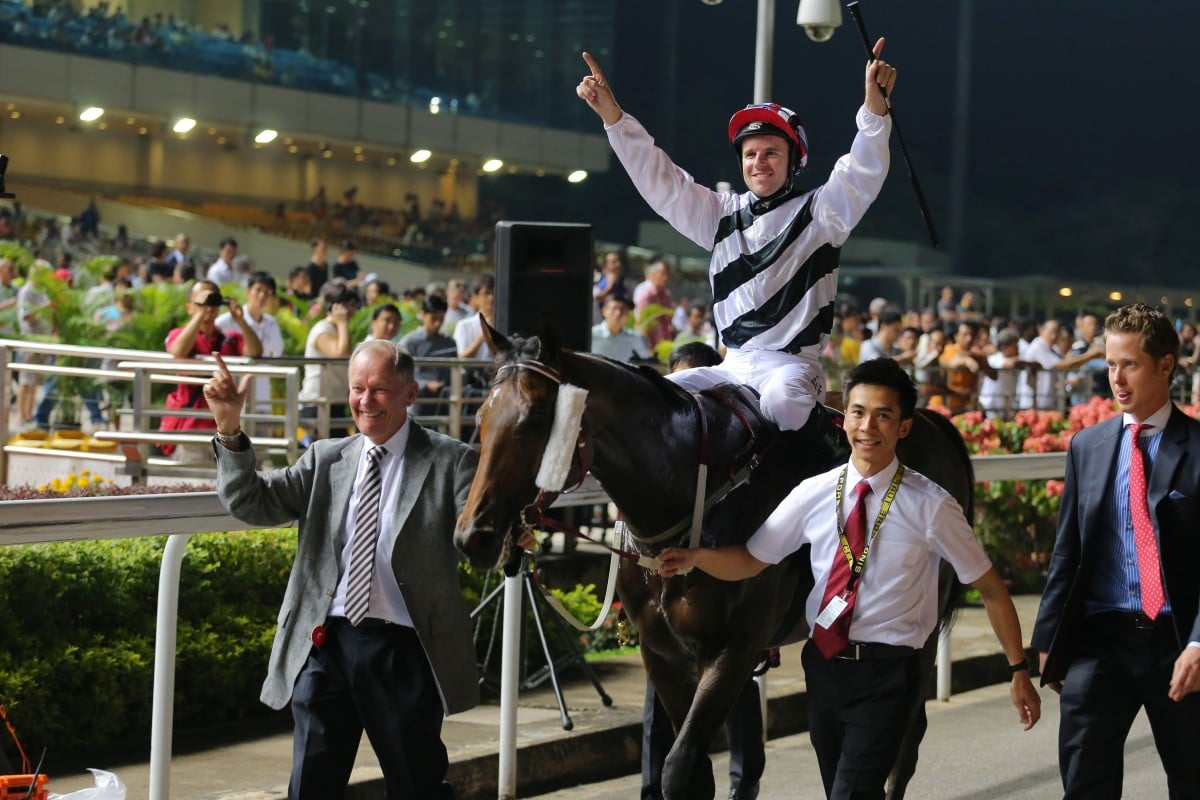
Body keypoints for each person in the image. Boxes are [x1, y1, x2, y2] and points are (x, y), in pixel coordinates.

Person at [658, 358, 1040, 799]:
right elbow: (749, 560)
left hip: (888, 675)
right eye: (858, 412)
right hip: (823, 671)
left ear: (903, 427)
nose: (867, 427)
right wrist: (695, 557)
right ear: (843, 421)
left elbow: (991, 589)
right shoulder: (814, 494)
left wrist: (1018, 669)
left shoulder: (932, 505)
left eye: (883, 415)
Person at [200, 340, 480, 799]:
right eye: (357, 389)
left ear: (410, 394)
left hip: (403, 651)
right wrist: (229, 429)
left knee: (417, 787)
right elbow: (252, 502)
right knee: (310, 789)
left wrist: (512, 531)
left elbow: (481, 538)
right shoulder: (325, 458)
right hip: (324, 646)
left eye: (379, 390)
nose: (365, 401)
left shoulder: (450, 460)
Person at [577, 43, 897, 431]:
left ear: (795, 161)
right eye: (750, 154)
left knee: (783, 403)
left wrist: (875, 110)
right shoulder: (720, 214)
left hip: (794, 368)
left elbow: (862, 172)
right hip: (732, 363)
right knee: (655, 398)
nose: (758, 162)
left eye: (771, 153)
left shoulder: (822, 211)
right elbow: (661, 180)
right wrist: (613, 117)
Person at [1032, 303, 1200, 798]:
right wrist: (1048, 640)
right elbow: (1068, 549)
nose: (1116, 378)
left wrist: (1198, 644)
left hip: (1177, 641)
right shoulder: (1088, 445)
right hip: (1099, 642)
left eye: (1129, 364)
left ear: (1165, 366)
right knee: (1085, 784)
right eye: (1109, 364)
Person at [641, 339, 765, 800]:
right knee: (660, 695)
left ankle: (743, 783)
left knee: (733, 682)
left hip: (721, 593)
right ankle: (654, 791)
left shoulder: (735, 453)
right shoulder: (657, 451)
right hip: (665, 595)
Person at [159, 280, 262, 458]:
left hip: (224, 426)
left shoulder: (230, 338)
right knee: (194, 485)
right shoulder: (179, 334)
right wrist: (199, 314)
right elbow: (178, 350)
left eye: (212, 300)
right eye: (201, 301)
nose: (208, 307)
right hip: (191, 427)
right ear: (189, 307)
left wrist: (240, 320)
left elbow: (255, 351)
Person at [216, 271, 283, 415]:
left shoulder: (272, 324)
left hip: (262, 399)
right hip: (231, 398)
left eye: (267, 292)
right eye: (258, 290)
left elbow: (279, 354)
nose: (262, 296)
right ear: (248, 292)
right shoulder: (226, 321)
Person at [590, 295, 651, 362]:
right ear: (604, 311)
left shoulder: (637, 339)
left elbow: (646, 363)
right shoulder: (592, 335)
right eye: (614, 308)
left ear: (628, 313)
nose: (618, 313)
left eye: (623, 309)